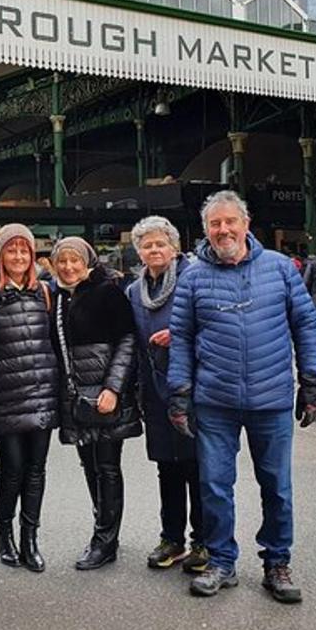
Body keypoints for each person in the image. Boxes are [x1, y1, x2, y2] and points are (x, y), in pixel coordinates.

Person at [168, 191, 316, 604]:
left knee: (277, 486)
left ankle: (277, 563)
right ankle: (221, 561)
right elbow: (181, 339)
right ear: (206, 231)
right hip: (214, 400)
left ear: (245, 223)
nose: (223, 230)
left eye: (230, 222)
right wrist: (179, 394)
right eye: (215, 225)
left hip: (271, 399)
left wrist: (311, 381)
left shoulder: (279, 268)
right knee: (215, 485)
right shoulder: (193, 276)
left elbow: (305, 324)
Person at [49, 237, 140, 570]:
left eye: (75, 260)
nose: (69, 267)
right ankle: (104, 529)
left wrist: (114, 388)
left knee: (107, 466)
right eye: (62, 261)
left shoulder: (108, 291)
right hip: (76, 396)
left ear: (87, 261)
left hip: (103, 394)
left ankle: (105, 541)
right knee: (89, 466)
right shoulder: (55, 297)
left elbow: (127, 339)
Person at [0, 224, 59, 572]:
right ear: (0, 255)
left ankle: (30, 538)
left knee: (36, 471)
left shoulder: (46, 293)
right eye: (12, 250)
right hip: (4, 394)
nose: (19, 257)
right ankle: (4, 530)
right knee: (12, 470)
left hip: (41, 392)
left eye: (25, 251)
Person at [124, 217, 207, 573]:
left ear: (174, 247)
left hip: (194, 387)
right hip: (155, 391)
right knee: (167, 468)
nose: (154, 250)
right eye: (147, 245)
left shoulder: (195, 278)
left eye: (160, 244)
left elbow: (214, 326)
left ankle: (203, 541)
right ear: (139, 252)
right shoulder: (134, 291)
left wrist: (179, 334)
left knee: (197, 467)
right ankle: (171, 538)